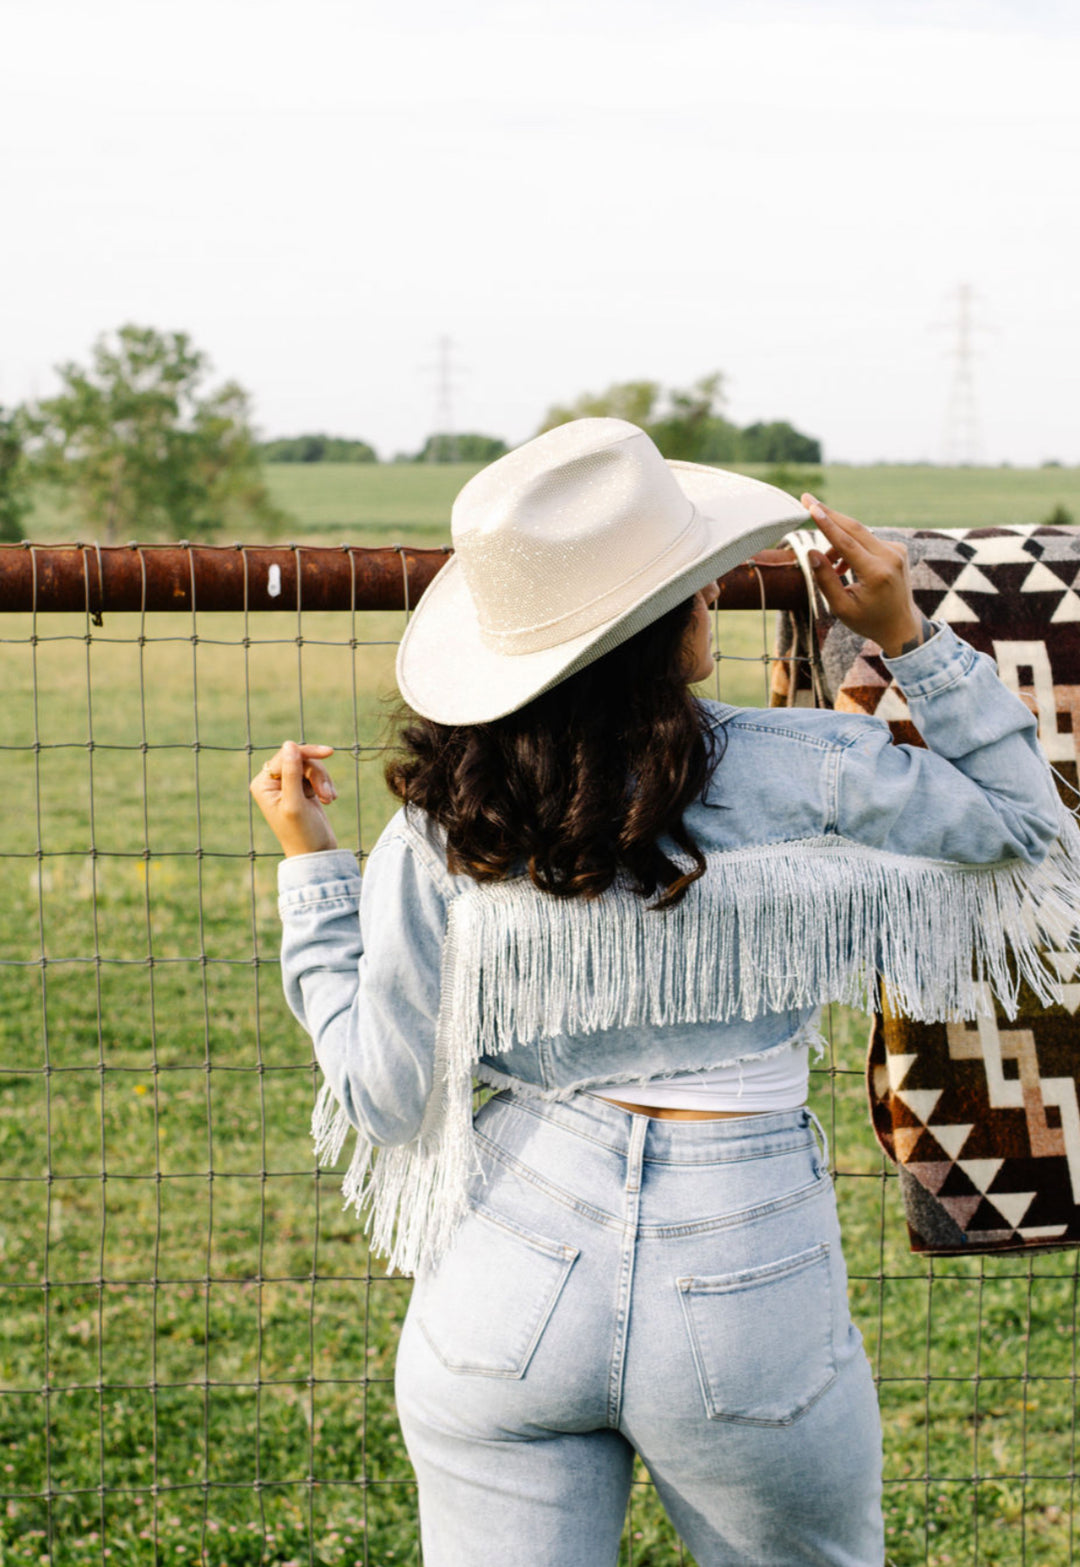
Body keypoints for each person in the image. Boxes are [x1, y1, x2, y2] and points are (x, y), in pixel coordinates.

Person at [250, 419, 1077, 1566]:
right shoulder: (814, 771)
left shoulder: (443, 829)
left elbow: (385, 1102)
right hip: (746, 1279)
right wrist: (905, 635)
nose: (712, 599)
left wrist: (313, 874)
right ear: (668, 628)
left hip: (505, 1279)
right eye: (694, 583)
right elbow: (1033, 831)